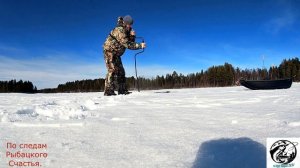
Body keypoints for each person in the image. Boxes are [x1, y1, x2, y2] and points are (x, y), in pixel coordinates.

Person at [103, 15, 146, 96]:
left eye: (131, 24)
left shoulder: (126, 30)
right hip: (109, 51)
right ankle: (108, 91)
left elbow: (130, 41)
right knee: (112, 70)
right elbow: (127, 44)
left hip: (117, 54)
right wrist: (140, 45)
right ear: (125, 23)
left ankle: (122, 90)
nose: (130, 26)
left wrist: (132, 35)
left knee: (121, 72)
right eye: (129, 24)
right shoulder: (119, 30)